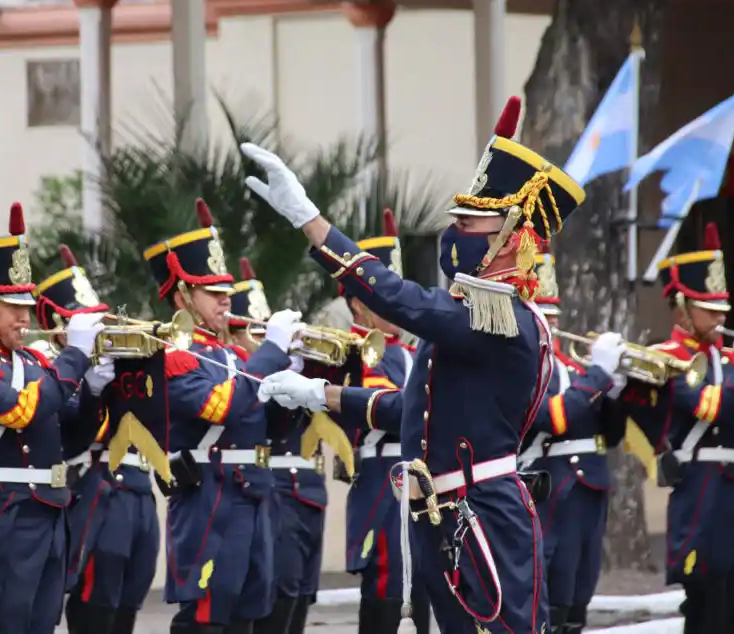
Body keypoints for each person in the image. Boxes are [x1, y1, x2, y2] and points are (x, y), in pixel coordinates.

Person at [245, 96, 586, 633]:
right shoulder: (472, 314)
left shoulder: (501, 319)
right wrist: (320, 395)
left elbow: (399, 299)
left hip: (482, 514)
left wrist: (311, 222)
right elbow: (415, 408)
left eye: (468, 222)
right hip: (444, 512)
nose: (453, 231)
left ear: (509, 237)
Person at [0, 203, 112, 634]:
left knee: (41, 624)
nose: (24, 316)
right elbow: (22, 410)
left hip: (50, 513)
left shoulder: (35, 362)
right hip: (2, 516)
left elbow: (71, 440)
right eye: (11, 305)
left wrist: (93, 390)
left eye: (26, 305)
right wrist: (75, 356)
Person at [142, 198, 302, 634]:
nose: (225, 300)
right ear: (182, 296)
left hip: (253, 492)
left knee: (245, 618)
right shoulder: (176, 355)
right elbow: (221, 406)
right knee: (206, 617)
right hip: (211, 497)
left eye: (226, 291)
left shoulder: (236, 355)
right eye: (212, 292)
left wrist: (295, 383)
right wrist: (270, 352)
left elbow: (273, 427)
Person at [621, 223, 734, 634]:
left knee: (733, 597)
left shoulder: (733, 361)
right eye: (710, 309)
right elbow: (708, 407)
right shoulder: (666, 359)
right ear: (681, 305)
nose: (721, 317)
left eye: (723, 309)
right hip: (700, 490)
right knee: (705, 603)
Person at [35, 245, 157, 634]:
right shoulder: (52, 369)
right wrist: (91, 385)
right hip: (98, 488)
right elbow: (74, 431)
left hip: (139, 487)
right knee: (97, 601)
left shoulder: (116, 361)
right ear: (60, 329)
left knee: (130, 599)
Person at [516, 252, 627, 634]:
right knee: (554, 592)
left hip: (589, 488)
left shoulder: (577, 371)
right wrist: (598, 376)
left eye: (554, 316)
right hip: (551, 489)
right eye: (542, 316)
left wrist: (615, 392)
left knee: (581, 590)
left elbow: (611, 435)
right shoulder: (521, 370)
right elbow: (553, 418)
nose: (552, 325)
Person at [336, 210, 431, 634]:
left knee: (422, 580)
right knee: (390, 585)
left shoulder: (410, 352)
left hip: (419, 478)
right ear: (358, 303)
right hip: (383, 482)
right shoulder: (355, 351)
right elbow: (388, 407)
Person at [232, 257, 326, 634]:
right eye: (253, 333)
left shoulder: (269, 368)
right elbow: (263, 422)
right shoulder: (241, 374)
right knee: (279, 594)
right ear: (234, 336)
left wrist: (302, 368)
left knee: (300, 594)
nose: (263, 343)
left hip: (306, 491)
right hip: (274, 489)